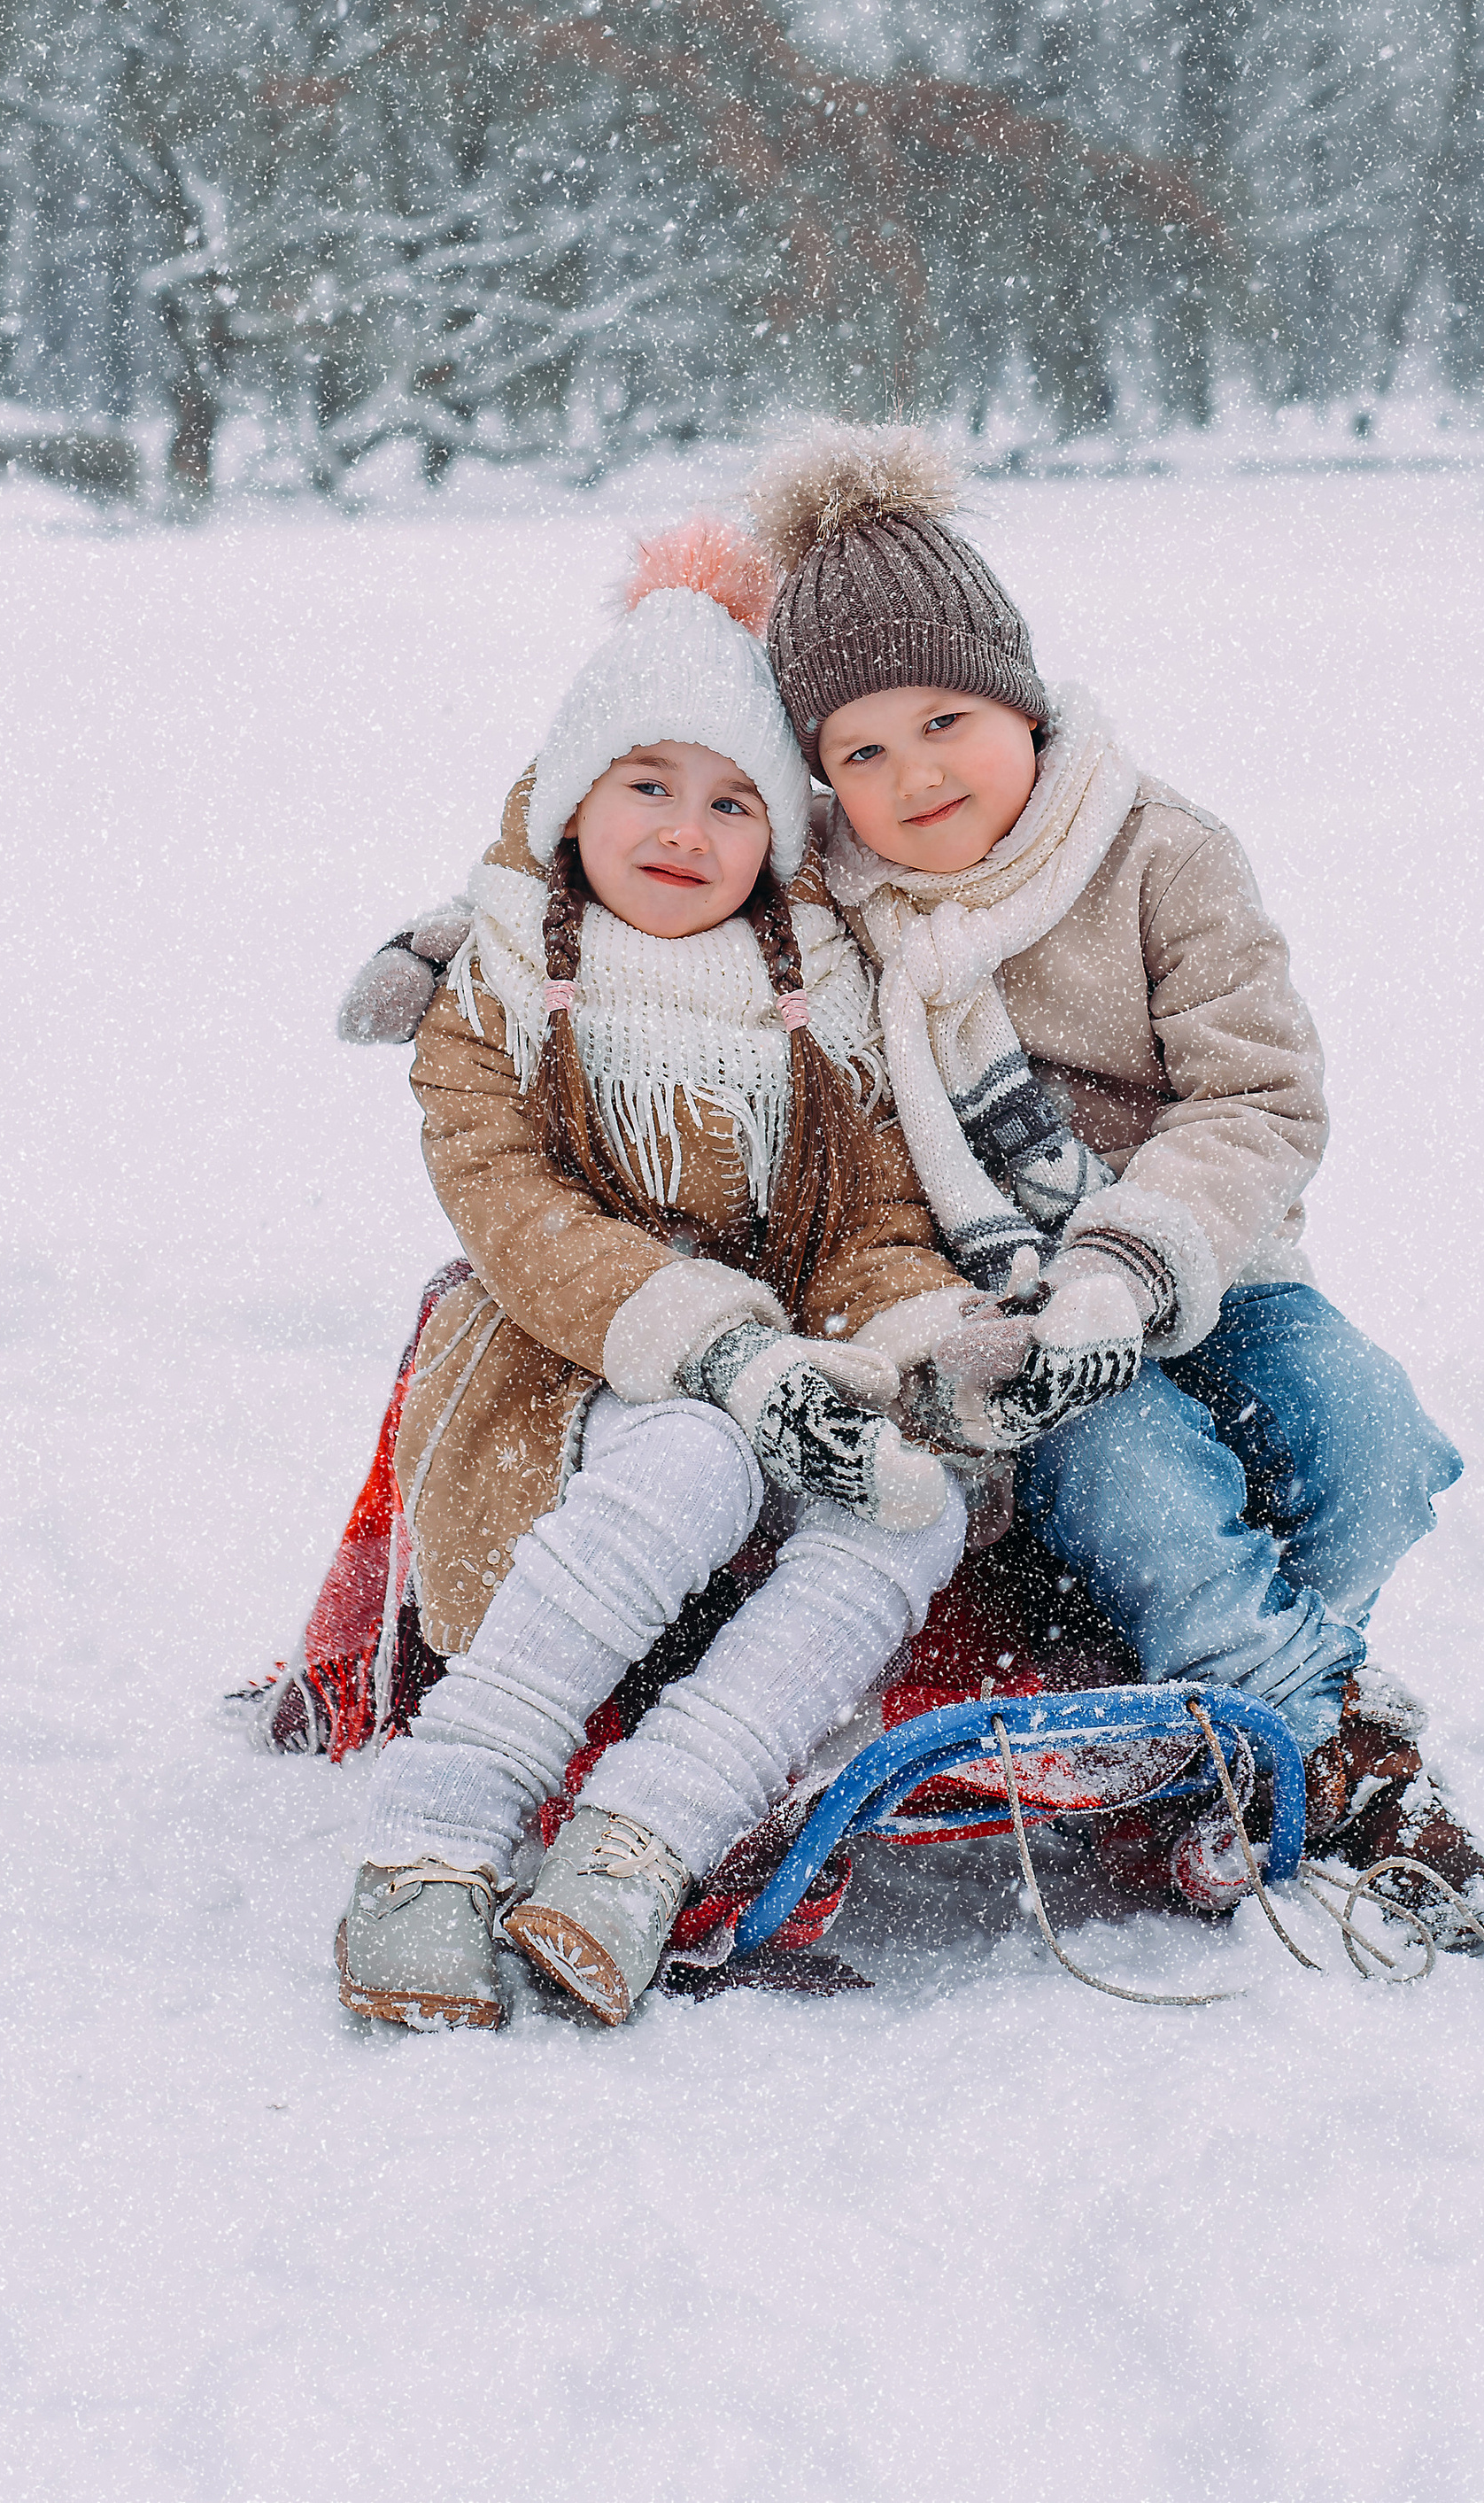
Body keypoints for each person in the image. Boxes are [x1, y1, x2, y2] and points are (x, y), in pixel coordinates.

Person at [746, 424, 1484, 1924]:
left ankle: (1252, 1681)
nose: (919, 775)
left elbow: (1259, 1092)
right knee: (1129, 1464)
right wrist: (476, 932)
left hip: (1210, 1261)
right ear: (823, 782)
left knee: (1372, 1440)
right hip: (1003, 1320)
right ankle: (1318, 1745)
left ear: (1019, 696)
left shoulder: (1159, 853)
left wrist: (1135, 1259)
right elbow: (642, 868)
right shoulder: (835, 908)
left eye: (947, 718)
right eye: (863, 752)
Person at [336, 519, 985, 2034]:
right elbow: (516, 1216)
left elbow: (869, 1218)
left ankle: (650, 1828)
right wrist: (720, 1353)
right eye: (648, 783)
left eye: (734, 798)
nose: (686, 827)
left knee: (914, 1496)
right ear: (575, 801)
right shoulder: (494, 983)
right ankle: (443, 1814)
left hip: (789, 1361)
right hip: (564, 1357)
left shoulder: (818, 999)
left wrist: (922, 1341)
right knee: (694, 1450)